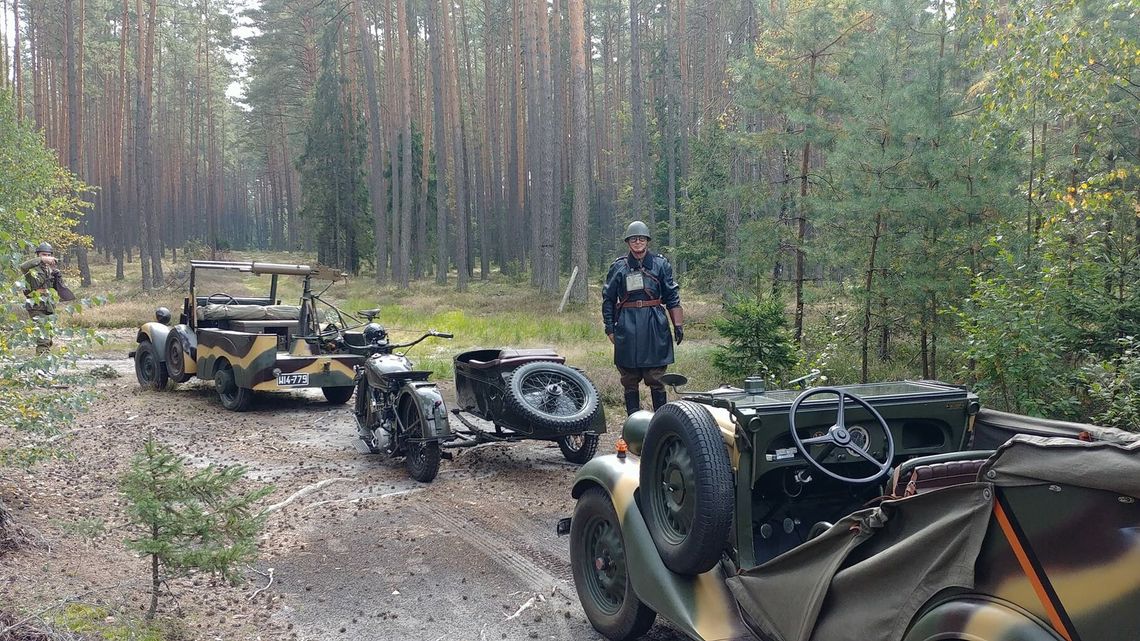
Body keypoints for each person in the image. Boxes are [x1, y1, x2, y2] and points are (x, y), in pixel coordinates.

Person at [601, 221, 684, 415]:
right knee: (629, 377)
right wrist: (609, 327)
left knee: (656, 376)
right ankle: (633, 422)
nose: (637, 242)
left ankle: (660, 422)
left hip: (654, 323)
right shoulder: (619, 267)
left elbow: (672, 296)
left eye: (641, 239)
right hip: (626, 324)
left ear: (647, 241)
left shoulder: (660, 264)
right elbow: (608, 299)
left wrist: (678, 324)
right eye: (633, 239)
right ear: (628, 242)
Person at [20, 242, 61, 355]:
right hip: (36, 305)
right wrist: (41, 260)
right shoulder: (31, 268)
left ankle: (45, 358)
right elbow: (22, 266)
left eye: (48, 255)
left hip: (49, 305)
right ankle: (42, 361)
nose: (47, 257)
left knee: (49, 334)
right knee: (43, 336)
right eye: (43, 255)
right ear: (38, 255)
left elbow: (55, 288)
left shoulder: (51, 270)